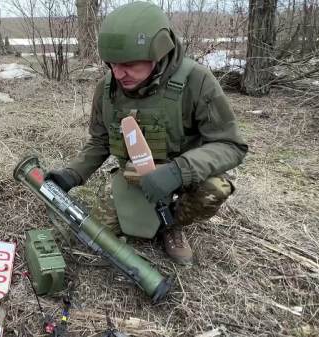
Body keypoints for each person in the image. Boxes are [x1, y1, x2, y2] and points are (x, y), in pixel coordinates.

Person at [45, 1, 248, 266]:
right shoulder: (107, 88)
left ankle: (171, 224)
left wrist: (177, 170)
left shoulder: (196, 81)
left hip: (183, 177)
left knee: (215, 188)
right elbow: (100, 140)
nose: (118, 74)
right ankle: (142, 211)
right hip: (133, 176)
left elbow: (231, 145)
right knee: (93, 239)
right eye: (112, 64)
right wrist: (72, 174)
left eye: (129, 64)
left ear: (159, 53)